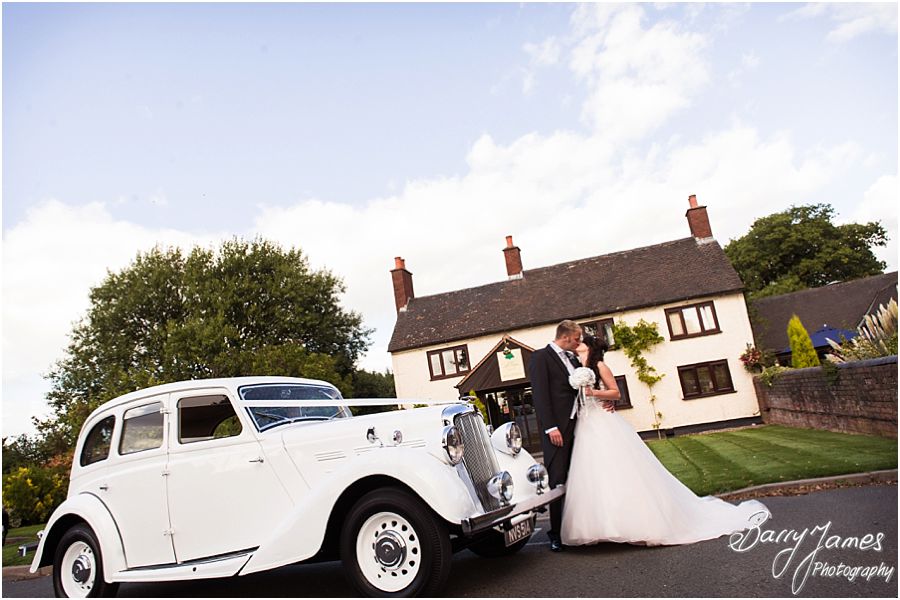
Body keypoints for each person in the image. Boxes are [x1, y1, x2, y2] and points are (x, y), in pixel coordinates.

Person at [561, 334, 770, 546]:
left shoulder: (600, 366)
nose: (576, 345)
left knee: (620, 468)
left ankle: (635, 524)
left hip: (604, 421)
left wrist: (593, 392)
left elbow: (615, 393)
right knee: (593, 472)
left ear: (590, 347)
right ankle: (599, 527)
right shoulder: (576, 367)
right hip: (586, 424)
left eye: (580, 343)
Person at [528, 320, 614, 552]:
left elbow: (581, 390)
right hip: (557, 430)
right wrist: (550, 428)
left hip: (580, 425)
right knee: (558, 480)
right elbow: (540, 395)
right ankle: (555, 533)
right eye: (577, 339)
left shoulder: (574, 359)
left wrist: (601, 400)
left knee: (581, 478)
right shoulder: (540, 358)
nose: (579, 344)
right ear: (566, 337)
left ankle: (582, 528)